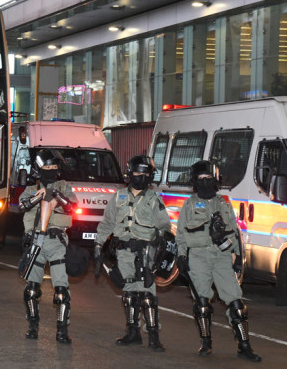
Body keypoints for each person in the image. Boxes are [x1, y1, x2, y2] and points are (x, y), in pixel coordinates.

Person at [175, 160, 261, 362]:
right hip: (198, 257)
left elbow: (235, 232)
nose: (205, 182)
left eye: (209, 178)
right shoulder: (189, 204)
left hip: (221, 257)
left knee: (237, 304)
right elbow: (181, 235)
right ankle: (206, 344)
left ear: (216, 180)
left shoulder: (224, 203)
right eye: (201, 179)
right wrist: (181, 256)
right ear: (195, 181)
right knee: (202, 304)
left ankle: (244, 346)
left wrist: (235, 255)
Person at [94, 155, 171, 351]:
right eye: (137, 173)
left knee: (147, 295)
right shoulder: (118, 196)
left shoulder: (155, 200)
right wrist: (98, 245)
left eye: (145, 174)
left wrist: (160, 251)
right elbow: (108, 223)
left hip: (146, 252)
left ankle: (154, 336)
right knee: (129, 294)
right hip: (123, 252)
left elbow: (164, 227)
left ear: (150, 176)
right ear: (130, 174)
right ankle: (132, 332)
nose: (141, 177)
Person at [19, 149, 78, 343]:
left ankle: (62, 330)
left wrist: (55, 195)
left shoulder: (64, 187)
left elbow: (72, 207)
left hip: (56, 241)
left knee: (61, 290)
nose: (51, 171)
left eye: (54, 167)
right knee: (31, 289)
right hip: (36, 241)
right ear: (39, 169)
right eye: (47, 167)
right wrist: (40, 195)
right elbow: (23, 205)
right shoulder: (31, 189)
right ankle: (33, 326)